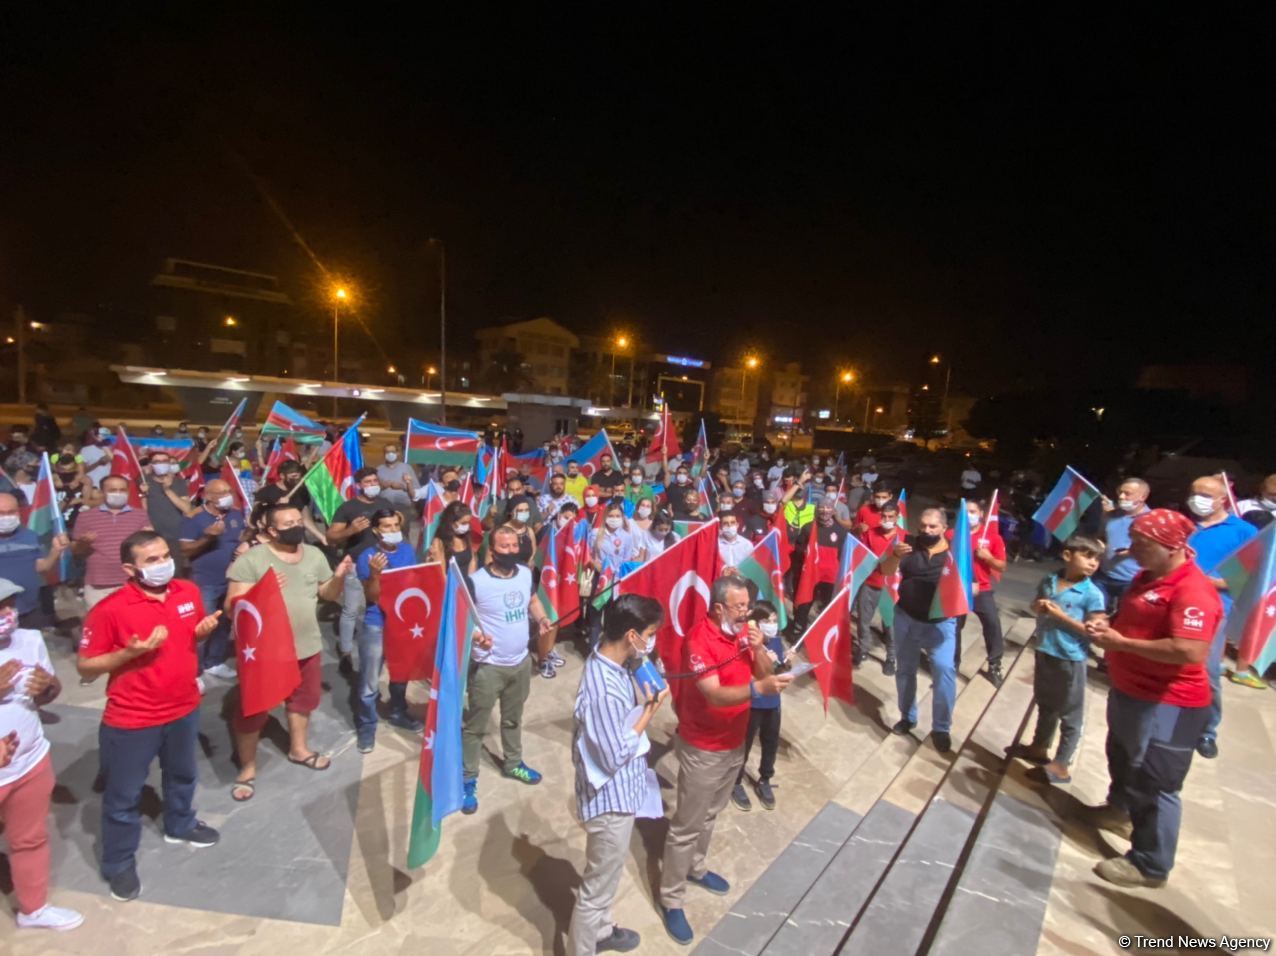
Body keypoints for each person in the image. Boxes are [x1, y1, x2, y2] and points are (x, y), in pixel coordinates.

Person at [77, 530, 224, 901]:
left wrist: (201, 633)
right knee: (123, 797)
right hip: (133, 718)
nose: (163, 565)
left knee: (183, 775)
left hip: (184, 707)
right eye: (152, 560)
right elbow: (86, 666)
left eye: (164, 556)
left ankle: (180, 823)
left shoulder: (187, 592)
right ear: (130, 568)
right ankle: (119, 863)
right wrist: (128, 654)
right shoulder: (109, 610)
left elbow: (186, 639)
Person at [1084, 510, 1222, 889]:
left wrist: (1123, 644)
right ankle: (1119, 810)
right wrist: (1108, 625)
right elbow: (1130, 618)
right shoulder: (1147, 578)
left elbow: (1190, 651)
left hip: (1170, 703)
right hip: (1131, 690)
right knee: (1123, 756)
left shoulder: (1193, 591)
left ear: (1172, 546)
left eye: (1142, 545)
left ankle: (1150, 863)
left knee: (1156, 782)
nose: (1133, 552)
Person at [659, 574, 792, 945]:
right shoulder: (699, 640)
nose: (746, 612)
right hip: (704, 746)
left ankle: (696, 869)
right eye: (739, 607)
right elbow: (713, 694)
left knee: (712, 813)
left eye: (748, 606)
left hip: (735, 740)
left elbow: (765, 673)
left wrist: (760, 648)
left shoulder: (742, 634)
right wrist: (757, 689)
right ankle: (671, 897)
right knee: (687, 824)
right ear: (718, 607)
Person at [226, 504, 352, 801]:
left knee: (302, 701)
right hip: (266, 651)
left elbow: (327, 595)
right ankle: (247, 768)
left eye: (299, 521)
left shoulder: (314, 555)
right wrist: (261, 591)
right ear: (271, 530)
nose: (297, 526)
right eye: (288, 523)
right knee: (254, 709)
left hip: (306, 644)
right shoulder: (252, 560)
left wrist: (340, 577)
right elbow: (233, 606)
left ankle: (299, 749)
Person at [568, 594, 668, 956]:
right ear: (631, 635)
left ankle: (602, 929)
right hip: (608, 801)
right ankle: (584, 945)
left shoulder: (611, 658)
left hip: (622, 792)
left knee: (606, 879)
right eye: (650, 633)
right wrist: (650, 712)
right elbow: (613, 755)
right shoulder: (604, 689)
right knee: (595, 890)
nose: (652, 640)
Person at [0, 579, 84, 931]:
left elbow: (47, 692)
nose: (8, 614)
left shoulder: (29, 640)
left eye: (10, 604)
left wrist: (47, 688)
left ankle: (33, 909)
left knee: (30, 838)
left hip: (30, 762)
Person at [462, 526, 554, 813]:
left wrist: (540, 619)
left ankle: (513, 763)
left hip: (520, 663)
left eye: (515, 546)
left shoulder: (526, 574)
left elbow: (533, 600)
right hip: (489, 667)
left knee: (513, 719)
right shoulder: (476, 582)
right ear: (492, 549)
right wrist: (477, 636)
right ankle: (468, 779)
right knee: (476, 727)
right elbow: (462, 619)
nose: (512, 551)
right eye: (505, 547)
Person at [1016, 535, 1107, 783]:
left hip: (1071, 657)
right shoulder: (1050, 580)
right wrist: (1039, 607)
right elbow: (1035, 605)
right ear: (1068, 556)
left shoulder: (1092, 594)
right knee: (1046, 703)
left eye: (1096, 559)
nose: (1093, 563)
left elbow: (1096, 632)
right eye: (1087, 556)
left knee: (1070, 712)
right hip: (1046, 649)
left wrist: (1061, 617)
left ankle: (1062, 763)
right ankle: (1039, 746)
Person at [1184, 475, 1257, 759]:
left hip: (1214, 607)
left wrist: (1209, 582)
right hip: (1176, 602)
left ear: (1222, 499)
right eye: (1194, 492)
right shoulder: (1186, 526)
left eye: (1204, 494)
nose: (1197, 498)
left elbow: (1249, 575)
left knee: (1207, 670)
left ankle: (1206, 731)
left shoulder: (1243, 532)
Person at [877, 507, 959, 753]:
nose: (926, 531)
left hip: (940, 624)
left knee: (944, 673)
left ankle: (941, 728)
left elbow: (969, 585)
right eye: (923, 526)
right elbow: (886, 571)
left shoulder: (955, 554)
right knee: (905, 672)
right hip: (906, 619)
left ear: (944, 528)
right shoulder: (908, 545)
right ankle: (907, 716)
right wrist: (894, 555)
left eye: (932, 527)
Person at [354, 509, 425, 753]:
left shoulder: (406, 550)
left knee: (400, 673)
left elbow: (413, 583)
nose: (393, 531)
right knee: (369, 682)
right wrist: (375, 574)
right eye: (387, 526)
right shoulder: (367, 557)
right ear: (376, 530)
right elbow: (372, 598)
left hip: (402, 622)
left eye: (396, 525)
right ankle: (366, 727)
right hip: (377, 624)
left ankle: (398, 712)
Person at [178, 478, 244, 679]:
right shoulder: (194, 519)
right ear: (208, 496)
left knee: (224, 623)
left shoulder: (235, 514)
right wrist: (208, 537)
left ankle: (213, 662)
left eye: (228, 491)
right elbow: (185, 550)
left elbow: (238, 538)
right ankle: (194, 670)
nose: (227, 496)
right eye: (221, 492)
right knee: (203, 626)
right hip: (205, 581)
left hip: (231, 579)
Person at [326, 467, 385, 670]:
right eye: (367, 482)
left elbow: (397, 528)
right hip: (355, 564)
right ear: (358, 485)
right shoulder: (348, 508)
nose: (372, 485)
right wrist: (351, 530)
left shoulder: (385, 504)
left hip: (380, 565)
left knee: (376, 607)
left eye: (375, 481)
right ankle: (346, 650)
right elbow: (331, 536)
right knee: (351, 609)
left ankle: (374, 646)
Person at [730, 601, 785, 813]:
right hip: (753, 703)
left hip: (773, 703)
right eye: (766, 621)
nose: (772, 625)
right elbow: (744, 674)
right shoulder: (746, 645)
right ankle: (735, 781)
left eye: (774, 620)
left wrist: (784, 665)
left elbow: (778, 673)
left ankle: (765, 778)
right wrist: (762, 657)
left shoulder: (777, 642)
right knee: (744, 744)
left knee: (770, 742)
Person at [72, 476, 152, 610]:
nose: (118, 493)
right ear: (102, 492)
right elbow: (76, 550)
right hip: (98, 586)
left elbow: (149, 547)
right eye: (113, 490)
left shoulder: (140, 515)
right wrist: (84, 542)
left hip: (133, 583)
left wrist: (150, 536)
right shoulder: (86, 517)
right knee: (101, 627)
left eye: (122, 490)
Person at [954, 499, 1008, 686]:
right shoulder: (952, 534)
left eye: (973, 511)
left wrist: (988, 557)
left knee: (993, 625)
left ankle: (994, 664)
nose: (969, 515)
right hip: (959, 590)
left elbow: (1002, 566)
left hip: (983, 591)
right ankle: (953, 664)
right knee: (954, 628)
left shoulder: (993, 538)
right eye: (965, 511)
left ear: (981, 514)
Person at [0, 492, 69, 629]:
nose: (6, 517)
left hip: (28, 610)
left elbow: (42, 568)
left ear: (19, 512)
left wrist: (55, 551)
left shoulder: (30, 536)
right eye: (1, 513)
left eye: (11, 512)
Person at [856, 500, 901, 673]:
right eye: (884, 516)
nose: (887, 519)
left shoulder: (903, 536)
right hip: (870, 583)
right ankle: (863, 649)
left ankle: (891, 658)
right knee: (863, 620)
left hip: (891, 588)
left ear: (897, 517)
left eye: (891, 516)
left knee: (890, 625)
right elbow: (860, 555)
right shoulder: (871, 533)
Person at [1095, 478, 1151, 613]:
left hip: (1131, 579)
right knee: (1095, 613)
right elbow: (1101, 536)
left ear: (1143, 497)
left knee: (1125, 617)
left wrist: (1132, 551)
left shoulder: (1151, 519)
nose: (1121, 496)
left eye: (1127, 493)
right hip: (1103, 575)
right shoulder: (1112, 515)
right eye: (1120, 492)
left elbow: (1156, 549)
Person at [142, 451, 195, 575]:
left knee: (175, 573)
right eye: (157, 462)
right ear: (151, 464)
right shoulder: (143, 481)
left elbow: (187, 509)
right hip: (152, 535)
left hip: (175, 535)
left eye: (164, 461)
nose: (161, 464)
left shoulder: (179, 482)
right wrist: (143, 494)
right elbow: (140, 509)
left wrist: (167, 489)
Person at [252, 460, 327, 543]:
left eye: (299, 476)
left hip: (297, 536)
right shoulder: (266, 492)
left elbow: (305, 518)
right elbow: (255, 516)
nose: (297, 480)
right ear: (282, 476)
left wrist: (321, 537)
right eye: (293, 476)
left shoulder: (301, 492)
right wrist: (277, 505)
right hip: (274, 538)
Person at [429, 502, 479, 574]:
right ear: (451, 522)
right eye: (463, 523)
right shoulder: (439, 542)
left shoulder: (466, 536)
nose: (467, 526)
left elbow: (472, 561)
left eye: (468, 523)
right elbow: (441, 573)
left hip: (467, 583)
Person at [375, 443, 417, 526]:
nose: (390, 454)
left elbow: (416, 489)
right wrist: (382, 487)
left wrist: (402, 487)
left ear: (398, 453)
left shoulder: (406, 468)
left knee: (403, 530)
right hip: (383, 506)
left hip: (402, 506)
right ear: (384, 454)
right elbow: (373, 490)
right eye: (387, 452)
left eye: (392, 452)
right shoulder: (378, 469)